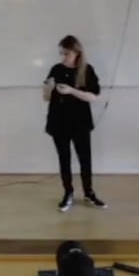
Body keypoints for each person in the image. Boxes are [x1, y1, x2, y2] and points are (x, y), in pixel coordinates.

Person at [43, 34, 106, 212]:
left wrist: (71, 91)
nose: (63, 57)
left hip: (80, 122)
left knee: (85, 159)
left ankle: (89, 193)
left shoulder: (87, 70)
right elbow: (46, 98)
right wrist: (48, 88)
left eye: (66, 54)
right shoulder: (56, 69)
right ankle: (68, 193)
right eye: (61, 53)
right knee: (64, 160)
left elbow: (93, 97)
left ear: (77, 53)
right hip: (58, 122)